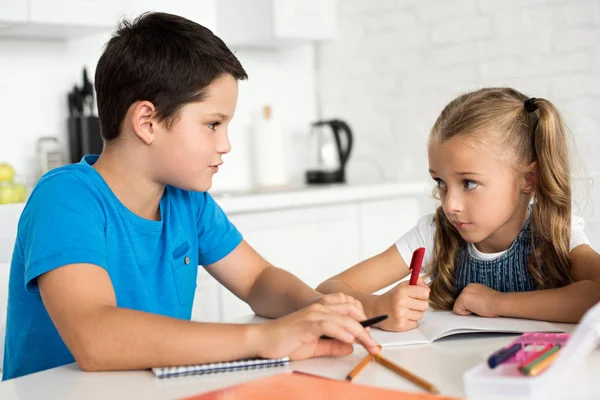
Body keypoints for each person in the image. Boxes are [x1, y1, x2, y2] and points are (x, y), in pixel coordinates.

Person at [2, 12, 379, 380]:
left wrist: (317, 310)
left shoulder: (187, 201)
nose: (226, 144)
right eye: (212, 125)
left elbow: (257, 279)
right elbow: (94, 338)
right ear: (147, 122)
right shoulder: (65, 197)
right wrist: (265, 337)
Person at [317, 87, 600, 332]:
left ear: (528, 179)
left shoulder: (555, 232)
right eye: (440, 182)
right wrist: (375, 307)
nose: (449, 204)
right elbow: (329, 287)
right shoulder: (433, 234)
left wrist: (496, 303)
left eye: (469, 183)